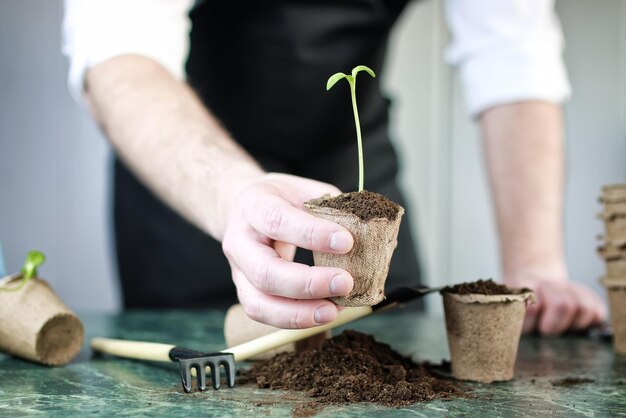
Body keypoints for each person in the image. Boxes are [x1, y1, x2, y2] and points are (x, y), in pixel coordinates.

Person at [62, 0, 606, 334]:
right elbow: (118, 48)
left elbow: (510, 49)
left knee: (384, 353)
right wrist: (236, 192)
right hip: (195, 174)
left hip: (351, 161)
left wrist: (535, 264)